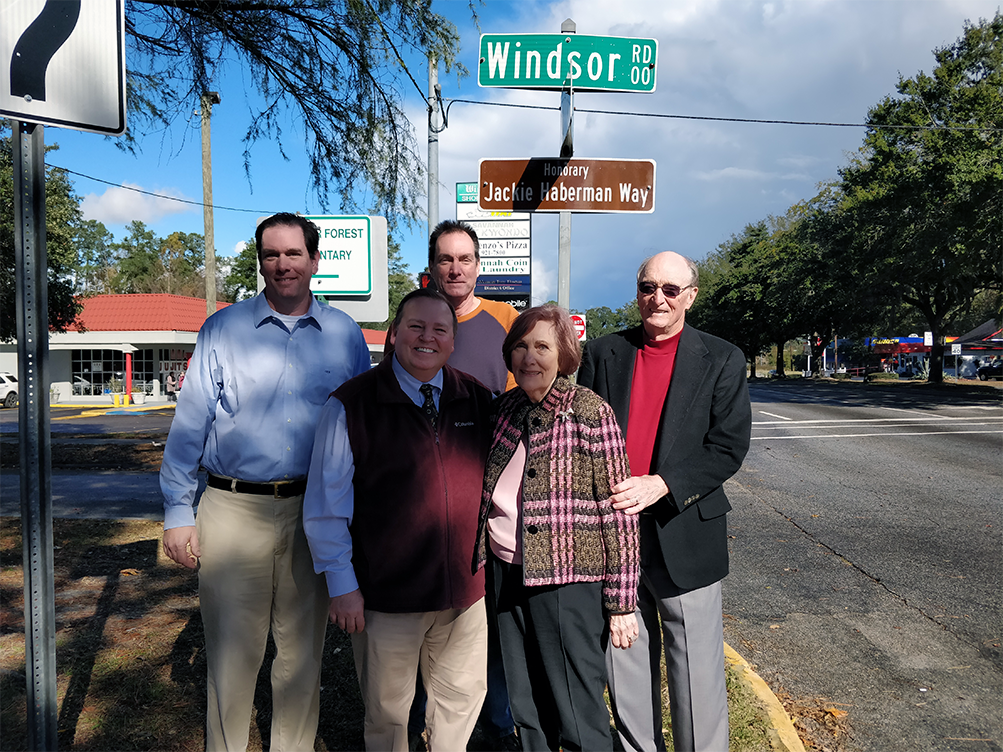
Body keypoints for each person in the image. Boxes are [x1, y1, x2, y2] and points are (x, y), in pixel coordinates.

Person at [160, 212, 370, 752]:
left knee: (301, 658)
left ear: (315, 260)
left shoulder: (345, 335)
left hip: (314, 512)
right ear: (260, 262)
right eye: (271, 254)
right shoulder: (222, 329)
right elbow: (189, 425)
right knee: (232, 657)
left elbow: (362, 428)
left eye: (294, 253)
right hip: (232, 510)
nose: (283, 264)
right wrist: (178, 511)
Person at [304, 287, 494, 752]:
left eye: (440, 329)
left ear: (453, 341)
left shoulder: (477, 399)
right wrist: (342, 586)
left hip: (463, 595)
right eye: (416, 327)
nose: (428, 338)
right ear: (394, 334)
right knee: (387, 715)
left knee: (460, 703)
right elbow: (326, 506)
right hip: (386, 599)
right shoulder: (351, 405)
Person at [577, 252, 752, 752]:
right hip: (615, 535)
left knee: (695, 672)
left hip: (685, 530)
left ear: (690, 296)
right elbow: (582, 437)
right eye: (648, 287)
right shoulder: (603, 353)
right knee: (625, 662)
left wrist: (663, 484)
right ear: (637, 292)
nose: (658, 298)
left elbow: (727, 447)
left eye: (671, 290)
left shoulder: (722, 358)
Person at [475, 305, 641, 752]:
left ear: (564, 354)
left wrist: (622, 602)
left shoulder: (589, 412)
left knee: (576, 707)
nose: (529, 357)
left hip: (567, 582)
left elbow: (619, 509)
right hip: (506, 574)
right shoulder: (504, 410)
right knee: (526, 702)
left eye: (542, 347)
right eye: (520, 346)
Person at [428, 219, 519, 396]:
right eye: (446, 260)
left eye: (465, 260)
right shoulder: (410, 323)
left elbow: (520, 396)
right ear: (432, 266)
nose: (456, 270)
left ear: (478, 266)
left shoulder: (506, 318)